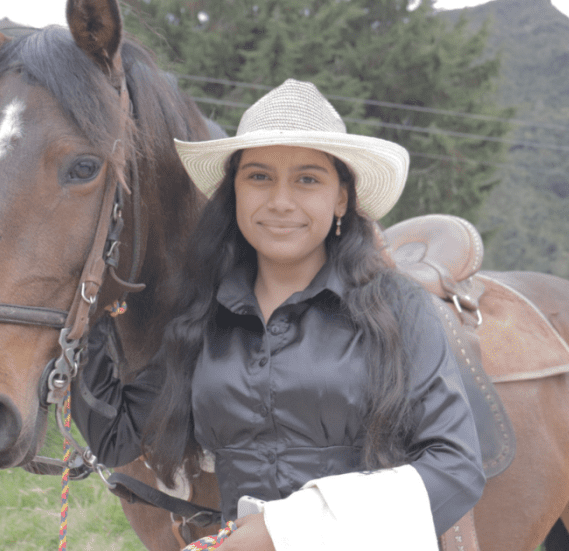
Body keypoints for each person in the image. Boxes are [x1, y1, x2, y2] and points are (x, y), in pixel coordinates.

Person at [72, 79, 484, 550]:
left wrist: (283, 531)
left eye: (308, 179)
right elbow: (118, 439)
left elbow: (455, 468)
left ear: (342, 198)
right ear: (235, 192)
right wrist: (89, 313)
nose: (281, 201)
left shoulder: (397, 308)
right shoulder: (203, 316)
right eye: (259, 177)